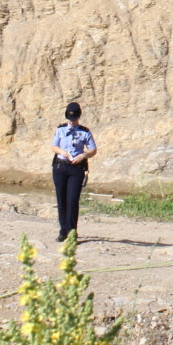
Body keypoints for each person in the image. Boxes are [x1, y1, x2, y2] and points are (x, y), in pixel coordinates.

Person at [51, 102, 97, 243]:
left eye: (74, 119)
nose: (72, 121)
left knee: (72, 201)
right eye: (70, 119)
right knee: (61, 200)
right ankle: (63, 231)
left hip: (76, 168)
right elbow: (54, 146)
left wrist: (83, 155)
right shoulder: (60, 130)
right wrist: (62, 152)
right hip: (60, 166)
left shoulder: (85, 132)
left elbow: (93, 150)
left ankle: (72, 233)